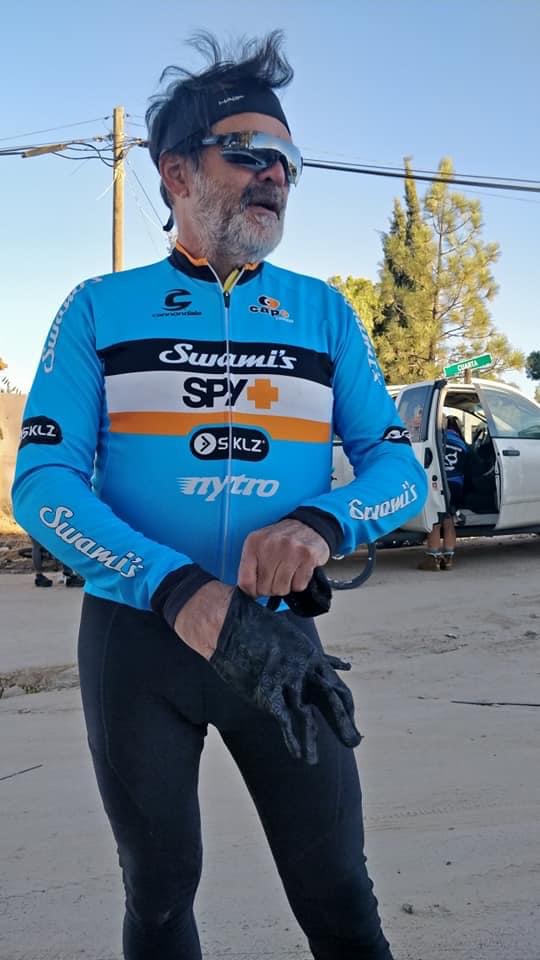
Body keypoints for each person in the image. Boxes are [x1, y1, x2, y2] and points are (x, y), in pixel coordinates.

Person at [13, 32, 427, 960]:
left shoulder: (324, 313)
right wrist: (173, 587)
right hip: (138, 643)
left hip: (276, 642)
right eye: (248, 151)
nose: (276, 174)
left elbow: (400, 472)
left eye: (288, 160)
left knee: (340, 894)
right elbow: (42, 484)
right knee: (160, 895)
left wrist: (322, 522)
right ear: (175, 173)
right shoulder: (97, 307)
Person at [417, 415, 469, 571]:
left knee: (435, 520)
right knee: (449, 520)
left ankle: (433, 558)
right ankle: (448, 559)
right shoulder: (462, 444)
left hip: (439, 484)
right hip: (456, 486)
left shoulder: (435, 440)